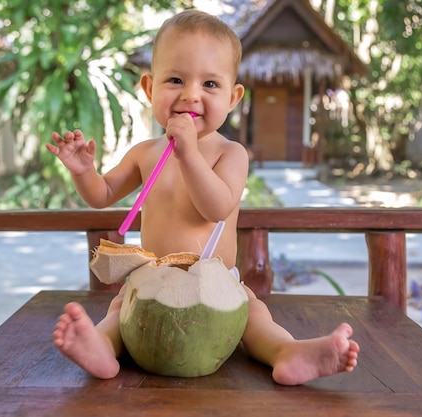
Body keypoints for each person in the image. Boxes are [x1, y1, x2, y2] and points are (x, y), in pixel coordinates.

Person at [48, 9, 359, 385]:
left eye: (210, 85)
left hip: (215, 280)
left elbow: (216, 207)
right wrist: (84, 173)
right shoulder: (144, 153)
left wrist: (189, 154)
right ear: (150, 89)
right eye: (176, 79)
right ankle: (99, 346)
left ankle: (288, 352)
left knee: (254, 316)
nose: (190, 95)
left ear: (232, 97)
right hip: (154, 278)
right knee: (120, 309)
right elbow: (104, 194)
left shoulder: (231, 154)